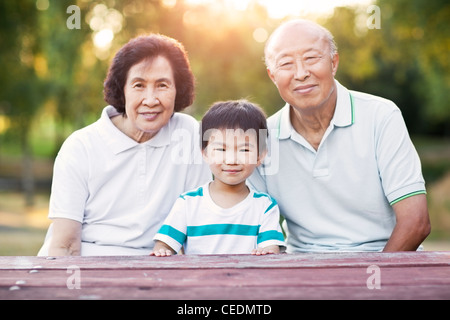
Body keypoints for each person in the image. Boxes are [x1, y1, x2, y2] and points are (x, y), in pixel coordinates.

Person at [248, 19, 431, 253]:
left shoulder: (381, 115)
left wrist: (374, 278)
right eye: (286, 64)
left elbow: (416, 223)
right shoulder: (261, 137)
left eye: (311, 58)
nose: (301, 73)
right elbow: (253, 227)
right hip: (302, 268)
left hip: (384, 262)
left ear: (334, 63)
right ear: (272, 76)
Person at [38, 34, 211, 256]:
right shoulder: (80, 147)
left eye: (162, 85)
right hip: (88, 263)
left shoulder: (190, 135)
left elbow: (197, 225)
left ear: (178, 89)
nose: (150, 100)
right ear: (123, 89)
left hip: (159, 268)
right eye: (139, 85)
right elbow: (65, 244)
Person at [151, 100, 285, 256]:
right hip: (199, 278)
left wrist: (266, 252)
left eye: (244, 150)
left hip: (247, 278)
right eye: (221, 149)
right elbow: (164, 244)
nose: (231, 160)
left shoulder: (265, 206)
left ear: (260, 156)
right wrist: (163, 251)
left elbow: (271, 249)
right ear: (205, 153)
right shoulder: (188, 202)